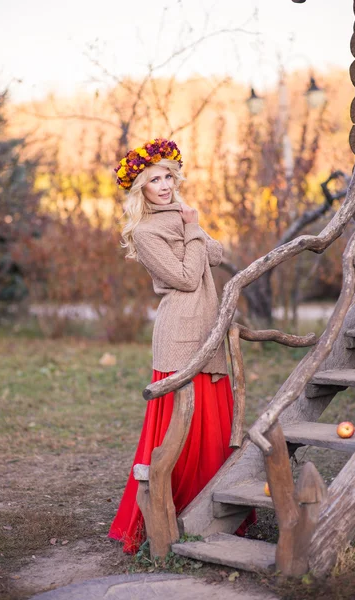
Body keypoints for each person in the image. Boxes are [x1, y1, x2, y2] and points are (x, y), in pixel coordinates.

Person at [108, 138, 253, 553]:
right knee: (180, 428)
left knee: (214, 427)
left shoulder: (182, 214)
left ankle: (217, 514)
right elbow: (188, 278)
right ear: (141, 190)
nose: (164, 184)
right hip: (179, 331)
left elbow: (219, 253)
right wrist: (192, 231)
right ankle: (169, 514)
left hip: (208, 325)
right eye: (154, 180)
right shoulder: (147, 231)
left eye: (167, 175)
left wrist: (191, 226)